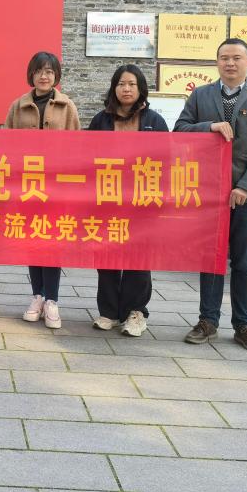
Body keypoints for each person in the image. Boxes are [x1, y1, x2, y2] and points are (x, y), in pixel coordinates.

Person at [175, 37, 247, 354]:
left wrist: (245, 187)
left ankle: (244, 325)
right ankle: (207, 321)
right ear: (217, 62)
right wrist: (209, 126)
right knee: (211, 258)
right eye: (224, 58)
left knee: (244, 262)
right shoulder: (201, 95)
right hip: (209, 193)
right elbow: (179, 130)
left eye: (236, 58)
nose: (230, 63)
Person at [86, 64, 167, 338]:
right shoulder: (101, 121)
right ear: (114, 88)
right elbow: (85, 158)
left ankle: (136, 312)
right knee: (106, 256)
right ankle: (109, 311)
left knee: (138, 258)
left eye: (132, 84)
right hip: (107, 199)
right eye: (121, 84)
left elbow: (165, 161)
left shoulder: (155, 121)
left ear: (141, 88)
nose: (127, 89)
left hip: (142, 202)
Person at [5, 51, 80, 329]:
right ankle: (37, 295)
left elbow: (77, 147)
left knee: (52, 242)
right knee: (33, 240)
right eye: (39, 71)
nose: (44, 76)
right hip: (27, 187)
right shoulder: (18, 106)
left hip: (56, 187)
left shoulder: (67, 106)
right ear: (31, 74)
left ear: (56, 75)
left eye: (49, 71)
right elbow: (7, 147)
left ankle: (52, 300)